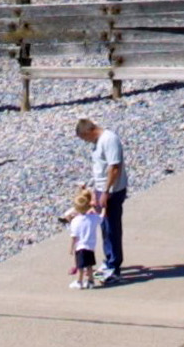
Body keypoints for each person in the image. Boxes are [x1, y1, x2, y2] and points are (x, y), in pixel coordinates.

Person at [75, 118, 128, 281]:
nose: (86, 141)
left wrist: (106, 191)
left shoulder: (109, 139)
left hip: (111, 191)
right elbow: (101, 168)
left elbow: (114, 167)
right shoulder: (98, 142)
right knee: (105, 226)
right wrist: (91, 185)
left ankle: (114, 266)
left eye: (85, 138)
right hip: (101, 189)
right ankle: (109, 259)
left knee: (112, 227)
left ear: (89, 131)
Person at [67, 188, 105, 289]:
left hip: (80, 247)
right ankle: (91, 281)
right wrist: (104, 207)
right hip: (90, 246)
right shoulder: (93, 218)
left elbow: (74, 236)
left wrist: (71, 248)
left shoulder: (75, 221)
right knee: (89, 266)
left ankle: (79, 282)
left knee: (80, 267)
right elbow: (102, 217)